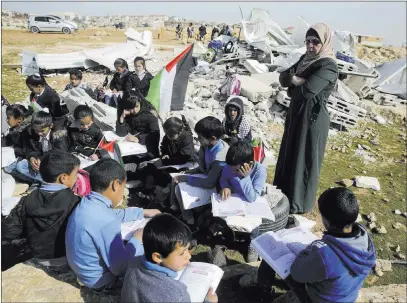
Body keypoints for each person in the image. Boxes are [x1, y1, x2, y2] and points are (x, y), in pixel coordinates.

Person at [258, 187, 376, 303]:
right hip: (348, 296)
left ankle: (264, 290)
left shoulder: (324, 255)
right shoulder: (365, 237)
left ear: (326, 221)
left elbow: (296, 273)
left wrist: (310, 248)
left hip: (321, 299)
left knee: (276, 260)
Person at [65, 159, 161, 291]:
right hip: (100, 281)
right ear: (116, 185)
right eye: (123, 187)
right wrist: (137, 239)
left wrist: (143, 212)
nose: (123, 192)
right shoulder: (106, 222)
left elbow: (113, 214)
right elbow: (121, 268)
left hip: (83, 271)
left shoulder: (87, 202)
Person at [273, 23, 339, 214]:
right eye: (308, 41)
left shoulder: (329, 65)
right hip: (296, 114)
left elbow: (308, 91)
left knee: (305, 157)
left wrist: (295, 84)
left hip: (313, 120)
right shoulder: (305, 59)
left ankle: (299, 204)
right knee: (290, 153)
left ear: (324, 42)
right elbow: (283, 78)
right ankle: (284, 195)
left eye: (315, 42)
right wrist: (295, 81)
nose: (310, 46)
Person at [121, 213, 218, 303]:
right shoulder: (177, 294)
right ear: (158, 257)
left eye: (188, 249)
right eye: (181, 253)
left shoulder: (133, 264)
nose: (188, 256)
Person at [2, 151, 80, 259]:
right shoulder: (77, 202)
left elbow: (8, 230)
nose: (77, 178)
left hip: (35, 256)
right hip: (64, 257)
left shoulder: (26, 200)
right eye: (76, 174)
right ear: (64, 177)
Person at [173, 117, 229, 225]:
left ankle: (188, 220)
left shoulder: (220, 157)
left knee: (179, 189)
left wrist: (187, 178)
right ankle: (176, 208)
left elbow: (209, 183)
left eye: (200, 137)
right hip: (207, 177)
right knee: (177, 179)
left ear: (212, 138)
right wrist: (192, 172)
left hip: (216, 188)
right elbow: (204, 167)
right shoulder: (207, 145)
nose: (198, 139)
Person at [219, 141, 267, 262]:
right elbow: (224, 178)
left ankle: (253, 245)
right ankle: (228, 236)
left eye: (236, 170)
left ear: (249, 165)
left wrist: (245, 178)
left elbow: (253, 197)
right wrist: (226, 186)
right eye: (232, 170)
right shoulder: (231, 166)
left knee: (255, 225)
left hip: (251, 204)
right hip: (235, 200)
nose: (233, 172)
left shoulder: (259, 171)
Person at [140, 116, 197, 197]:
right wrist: (164, 154)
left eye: (171, 136)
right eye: (167, 135)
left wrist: (166, 161)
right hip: (170, 162)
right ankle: (147, 192)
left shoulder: (186, 137)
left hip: (184, 164)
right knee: (149, 167)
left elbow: (184, 157)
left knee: (168, 177)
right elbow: (164, 147)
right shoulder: (169, 136)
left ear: (179, 132)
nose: (168, 137)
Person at [15, 111, 73, 183]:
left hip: (54, 162)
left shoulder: (59, 133)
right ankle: (48, 181)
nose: (39, 133)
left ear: (50, 126)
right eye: (36, 130)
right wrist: (32, 158)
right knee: (20, 166)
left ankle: (48, 181)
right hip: (39, 163)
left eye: (42, 131)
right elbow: (28, 148)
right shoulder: (29, 132)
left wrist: (42, 159)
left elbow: (60, 152)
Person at [116, 90, 160, 159]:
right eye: (131, 108)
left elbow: (155, 135)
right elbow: (121, 134)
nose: (135, 110)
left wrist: (139, 138)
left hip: (147, 150)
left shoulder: (149, 114)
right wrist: (121, 118)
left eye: (137, 106)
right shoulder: (125, 111)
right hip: (131, 148)